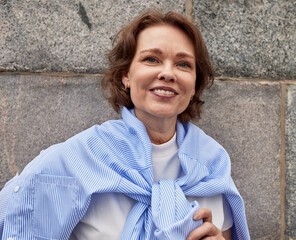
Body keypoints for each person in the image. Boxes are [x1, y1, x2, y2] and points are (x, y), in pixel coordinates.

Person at [0, 9, 250, 240]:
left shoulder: (213, 165)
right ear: (126, 75)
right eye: (151, 59)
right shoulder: (79, 160)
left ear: (194, 84)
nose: (168, 73)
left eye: (183, 64)